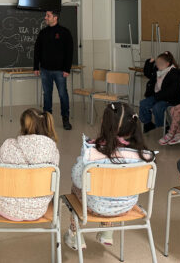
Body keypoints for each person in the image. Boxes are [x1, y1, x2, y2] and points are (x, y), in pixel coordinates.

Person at [65, 102, 155, 250]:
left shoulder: (92, 153)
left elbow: (78, 179)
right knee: (115, 188)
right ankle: (107, 232)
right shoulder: (144, 157)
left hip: (94, 207)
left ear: (104, 123)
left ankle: (75, 235)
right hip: (127, 206)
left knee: (76, 186)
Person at [0, 108, 59, 221]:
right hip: (38, 210)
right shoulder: (52, 151)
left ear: (23, 127)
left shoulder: (8, 146)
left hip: (6, 209)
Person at [33, 9, 74, 130]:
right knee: (47, 95)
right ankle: (47, 120)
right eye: (46, 16)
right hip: (45, 70)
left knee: (63, 95)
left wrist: (67, 69)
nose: (45, 18)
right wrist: (36, 66)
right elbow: (37, 51)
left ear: (55, 18)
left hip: (60, 71)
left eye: (48, 16)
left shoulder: (64, 32)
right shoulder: (43, 33)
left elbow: (69, 52)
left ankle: (65, 119)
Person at [139, 51, 180, 133]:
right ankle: (148, 124)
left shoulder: (174, 73)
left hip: (170, 99)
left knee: (157, 107)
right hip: (158, 96)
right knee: (143, 103)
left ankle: (162, 127)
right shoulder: (159, 70)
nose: (157, 65)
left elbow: (172, 91)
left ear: (167, 64)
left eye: (160, 64)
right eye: (157, 63)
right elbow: (147, 73)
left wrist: (157, 97)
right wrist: (149, 63)